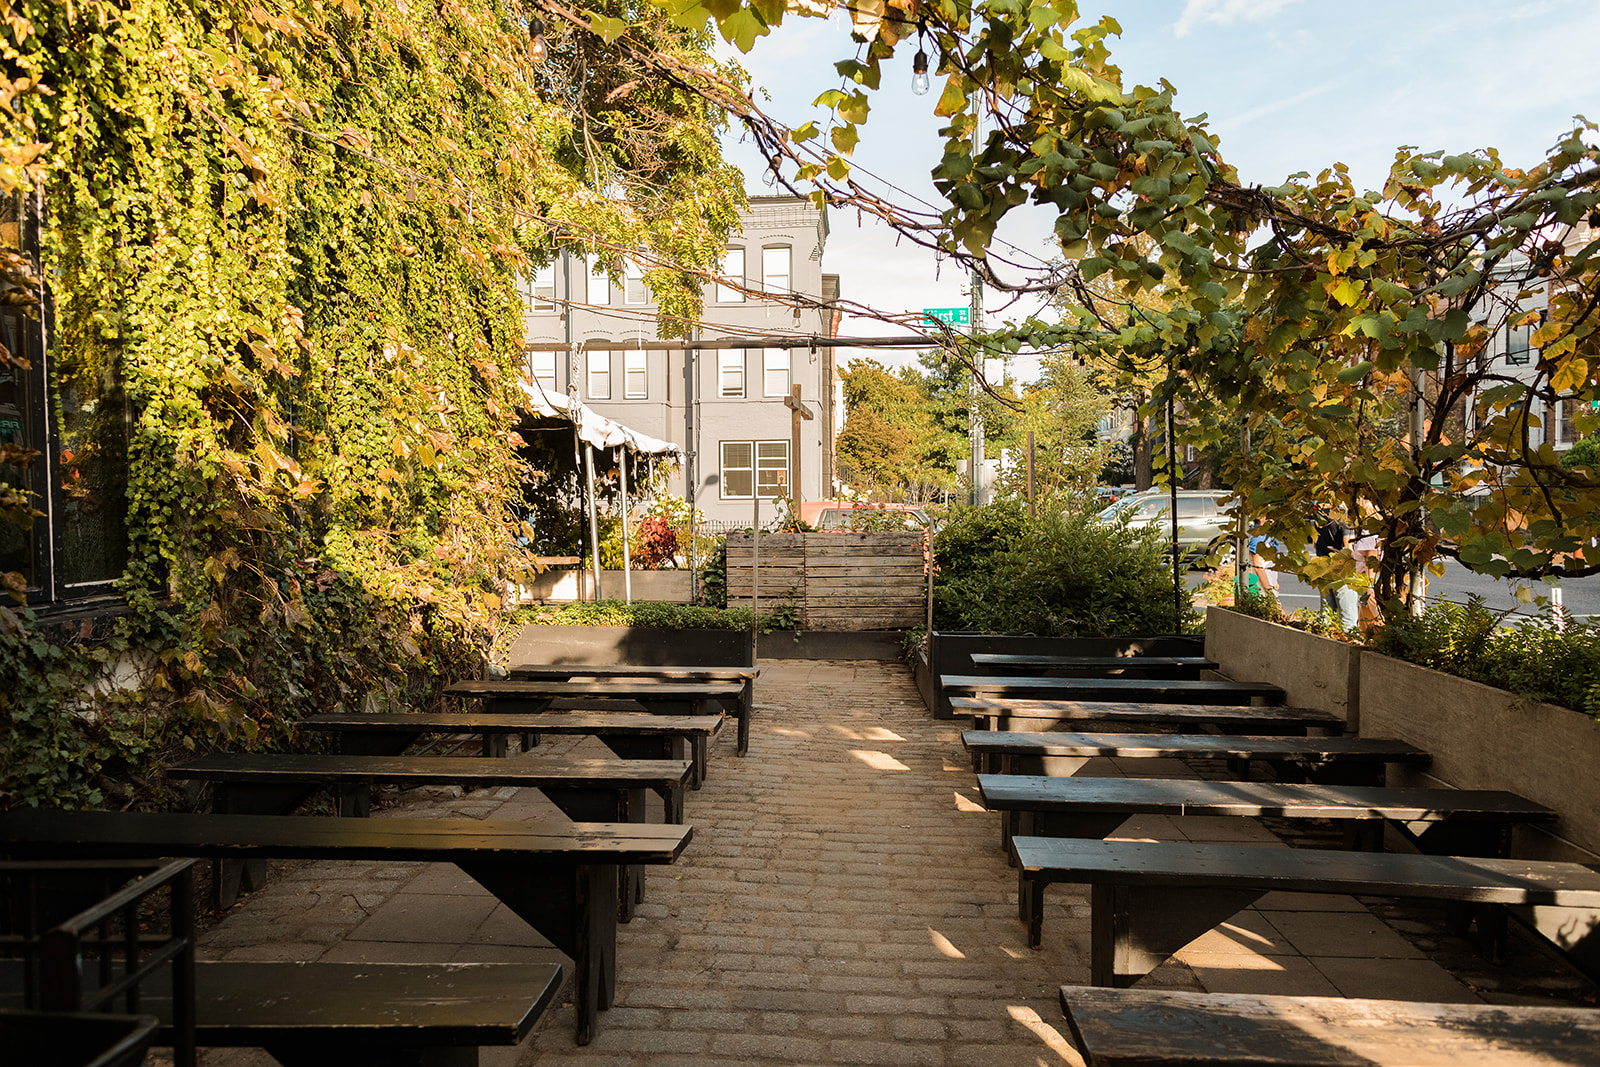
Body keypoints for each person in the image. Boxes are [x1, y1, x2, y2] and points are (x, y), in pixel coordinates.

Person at [1314, 512, 1359, 629]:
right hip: (1342, 570)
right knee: (1348, 617)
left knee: (1327, 616)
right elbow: (1348, 548)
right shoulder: (1344, 519)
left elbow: (1315, 544)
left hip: (1323, 569)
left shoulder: (1318, 518)